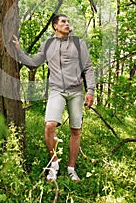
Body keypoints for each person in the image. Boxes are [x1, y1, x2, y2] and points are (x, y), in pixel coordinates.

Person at [13, 14, 95, 182]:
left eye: (68, 21)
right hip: (57, 90)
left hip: (76, 92)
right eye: (63, 21)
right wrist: (19, 51)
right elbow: (34, 62)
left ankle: (71, 168)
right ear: (55, 26)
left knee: (75, 130)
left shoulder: (79, 44)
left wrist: (91, 90)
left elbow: (88, 67)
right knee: (50, 125)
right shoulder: (47, 45)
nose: (67, 24)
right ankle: (54, 163)